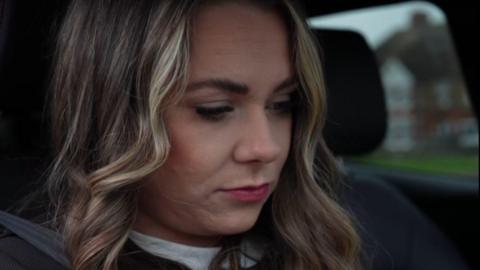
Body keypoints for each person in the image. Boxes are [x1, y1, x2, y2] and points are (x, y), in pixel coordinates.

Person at [0, 0, 361, 269]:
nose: (265, 148)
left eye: (283, 104)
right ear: (116, 117)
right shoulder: (25, 258)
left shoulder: (327, 243)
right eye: (214, 109)